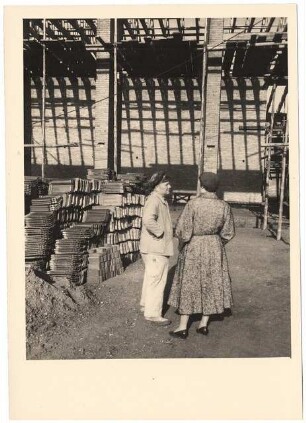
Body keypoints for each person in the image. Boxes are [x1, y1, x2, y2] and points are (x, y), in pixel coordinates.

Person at [168, 172, 235, 339]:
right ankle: (204, 324)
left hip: (194, 245)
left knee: (190, 281)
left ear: (202, 186)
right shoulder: (224, 206)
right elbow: (228, 232)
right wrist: (216, 243)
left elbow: (183, 230)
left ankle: (183, 327)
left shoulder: (193, 204)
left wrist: (182, 244)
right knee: (211, 281)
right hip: (214, 246)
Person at [139, 171, 174, 326]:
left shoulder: (158, 199)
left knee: (151, 277)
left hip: (152, 246)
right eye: (166, 184)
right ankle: (153, 314)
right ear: (157, 185)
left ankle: (146, 304)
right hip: (156, 247)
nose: (169, 187)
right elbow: (148, 219)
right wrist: (160, 232)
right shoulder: (154, 200)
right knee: (157, 279)